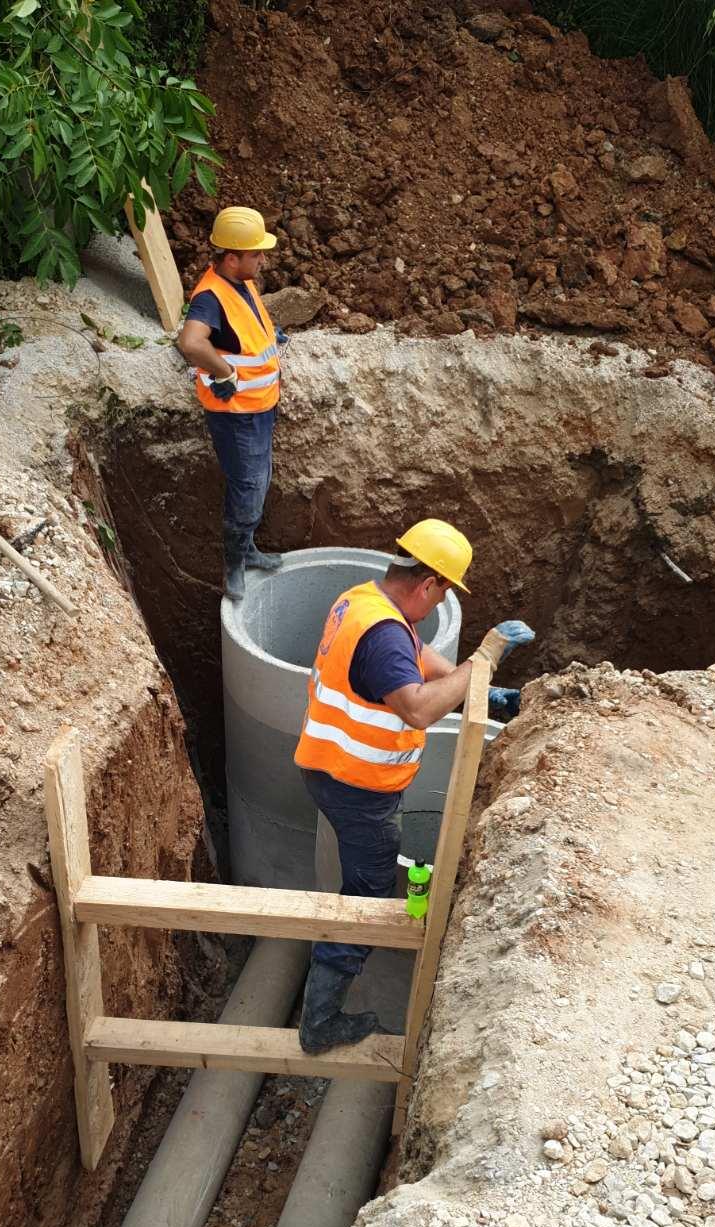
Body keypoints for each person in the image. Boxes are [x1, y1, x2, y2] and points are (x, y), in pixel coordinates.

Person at [293, 518, 535, 1054]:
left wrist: (479, 691)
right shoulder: (381, 634)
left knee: (366, 880)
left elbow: (418, 658)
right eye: (445, 588)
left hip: (328, 766)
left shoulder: (365, 601)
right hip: (358, 788)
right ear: (429, 583)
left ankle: (321, 1000)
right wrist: (484, 659)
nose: (440, 598)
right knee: (368, 895)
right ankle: (320, 1022)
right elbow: (420, 709)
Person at [177, 206, 288, 602]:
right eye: (256, 253)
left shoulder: (241, 283)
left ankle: (249, 550)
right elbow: (191, 342)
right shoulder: (210, 296)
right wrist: (223, 372)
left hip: (259, 408)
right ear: (231, 258)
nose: (263, 259)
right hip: (237, 416)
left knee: (256, 484)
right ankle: (235, 564)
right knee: (248, 489)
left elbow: (243, 331)